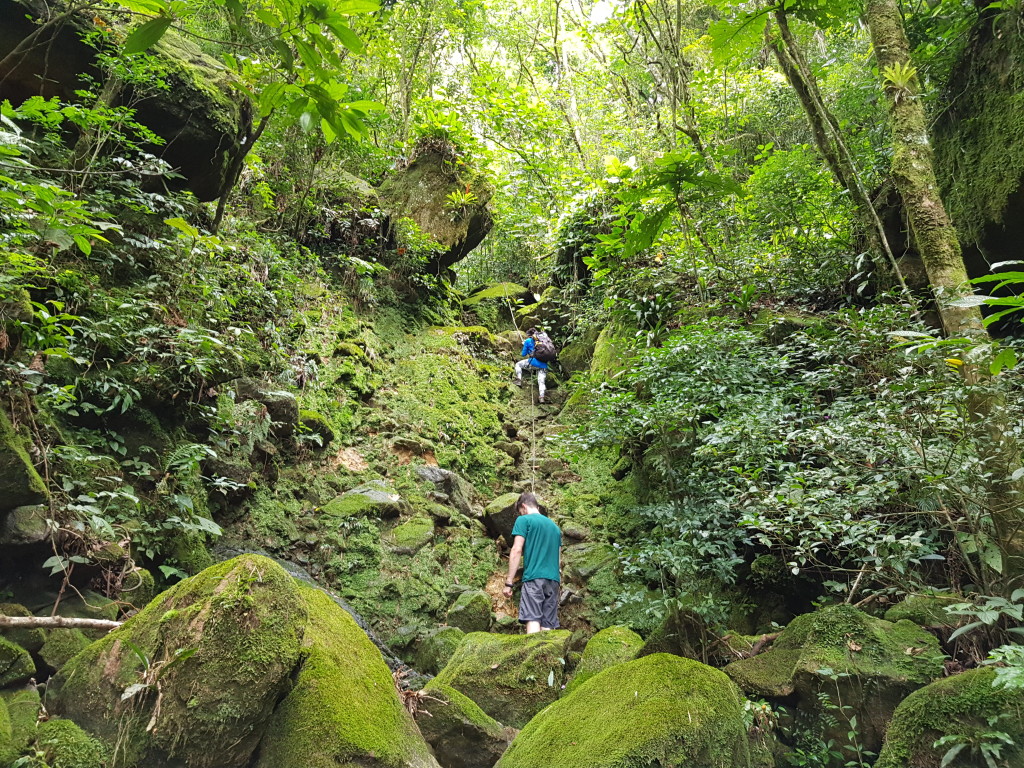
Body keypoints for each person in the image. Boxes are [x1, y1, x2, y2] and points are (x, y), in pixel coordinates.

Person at [502, 491, 561, 633]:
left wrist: (509, 582)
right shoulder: (555, 528)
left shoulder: (524, 520)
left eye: (521, 512)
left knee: (533, 618)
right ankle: (548, 655)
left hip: (534, 577)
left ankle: (533, 654)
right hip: (553, 580)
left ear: (523, 506)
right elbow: (559, 558)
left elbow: (516, 549)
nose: (521, 515)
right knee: (548, 625)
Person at [514, 327, 547, 403]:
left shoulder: (528, 341)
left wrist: (524, 344)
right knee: (541, 381)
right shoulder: (542, 340)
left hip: (533, 363)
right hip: (544, 365)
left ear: (529, 335)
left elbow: (523, 354)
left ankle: (519, 380)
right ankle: (541, 397)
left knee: (518, 364)